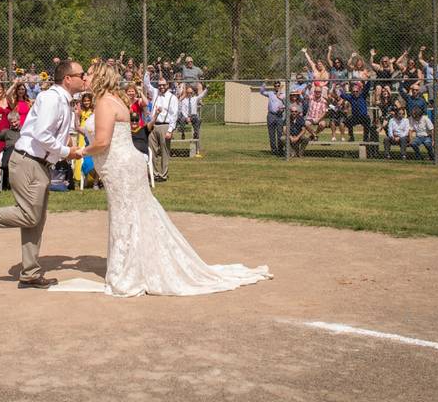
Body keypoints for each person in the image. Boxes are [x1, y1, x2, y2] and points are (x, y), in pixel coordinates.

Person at [67, 62, 271, 296]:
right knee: (136, 215)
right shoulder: (114, 100)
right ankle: (139, 267)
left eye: (89, 75)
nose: (85, 78)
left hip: (121, 168)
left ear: (100, 78)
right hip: (126, 166)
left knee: (125, 217)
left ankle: (128, 273)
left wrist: (78, 152)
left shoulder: (104, 103)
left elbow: (102, 142)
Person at [0, 59, 87, 290]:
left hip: (40, 164)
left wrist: (67, 151)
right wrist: (68, 152)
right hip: (29, 162)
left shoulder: (64, 102)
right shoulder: (51, 99)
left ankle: (30, 273)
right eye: (81, 74)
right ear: (68, 78)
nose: (84, 78)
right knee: (29, 216)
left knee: (36, 221)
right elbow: (41, 134)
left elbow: (52, 137)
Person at [144, 73, 179, 182]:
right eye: (159, 85)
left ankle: (163, 174)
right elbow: (146, 84)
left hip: (165, 126)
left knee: (164, 152)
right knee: (152, 151)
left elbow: (174, 115)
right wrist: (147, 73)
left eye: (163, 85)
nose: (161, 87)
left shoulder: (172, 98)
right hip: (153, 126)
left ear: (167, 85)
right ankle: (155, 174)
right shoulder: (155, 93)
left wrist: (170, 130)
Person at [0, 110, 22, 192]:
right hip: (9, 151)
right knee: (5, 163)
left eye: (15, 122)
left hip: (21, 152)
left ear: (19, 120)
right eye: (11, 123)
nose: (14, 124)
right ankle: (4, 183)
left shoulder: (24, 131)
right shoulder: (6, 132)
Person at [260, 80, 285, 156]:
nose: (277, 87)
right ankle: (274, 150)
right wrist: (264, 83)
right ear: (274, 86)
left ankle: (280, 150)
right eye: (275, 85)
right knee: (271, 133)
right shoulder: (270, 93)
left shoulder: (284, 94)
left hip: (279, 115)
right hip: (271, 115)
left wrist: (283, 108)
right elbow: (261, 92)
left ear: (280, 86)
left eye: (278, 85)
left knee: (280, 133)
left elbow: (286, 103)